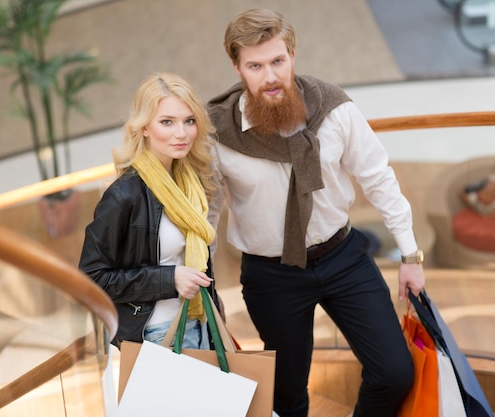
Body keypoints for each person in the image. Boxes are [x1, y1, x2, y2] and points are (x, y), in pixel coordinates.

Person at [206, 9, 426, 417]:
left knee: (395, 372)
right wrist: (205, 281)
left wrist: (410, 255)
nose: (269, 76)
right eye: (255, 66)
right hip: (271, 275)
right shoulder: (219, 133)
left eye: (277, 61)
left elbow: (378, 178)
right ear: (237, 67)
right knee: (288, 397)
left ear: (292, 55)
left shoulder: (335, 109)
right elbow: (207, 212)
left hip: (343, 258)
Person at [79, 72, 221, 350]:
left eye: (189, 121)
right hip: (156, 335)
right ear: (144, 127)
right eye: (167, 122)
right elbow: (91, 278)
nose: (181, 133)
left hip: (201, 326)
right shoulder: (124, 195)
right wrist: (169, 278)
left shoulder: (189, 184)